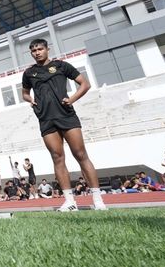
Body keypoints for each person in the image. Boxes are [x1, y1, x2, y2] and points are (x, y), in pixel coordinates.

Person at [21, 38, 106, 211]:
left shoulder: (61, 66)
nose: (36, 52)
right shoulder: (29, 73)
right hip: (45, 118)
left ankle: (98, 199)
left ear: (47, 49)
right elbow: (24, 93)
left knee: (81, 154)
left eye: (39, 49)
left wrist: (72, 99)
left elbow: (85, 84)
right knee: (57, 157)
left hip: (66, 116)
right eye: (33, 50)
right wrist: (31, 100)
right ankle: (69, 201)